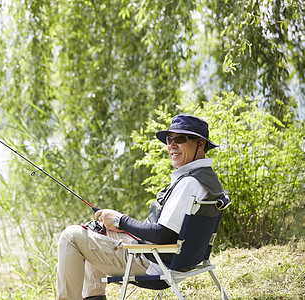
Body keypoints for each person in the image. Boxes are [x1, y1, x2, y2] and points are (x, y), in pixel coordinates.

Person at [56, 114, 224, 300]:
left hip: (153, 263)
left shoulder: (189, 183)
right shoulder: (208, 179)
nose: (171, 146)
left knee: (70, 237)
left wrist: (120, 220)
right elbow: (167, 233)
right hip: (172, 258)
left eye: (180, 139)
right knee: (93, 231)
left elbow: (162, 234)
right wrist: (118, 224)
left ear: (200, 144)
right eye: (170, 139)